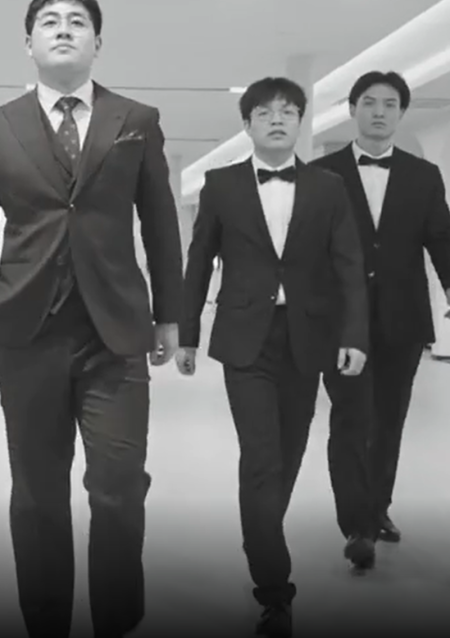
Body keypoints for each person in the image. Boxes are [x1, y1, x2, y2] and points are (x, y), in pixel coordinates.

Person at [0, 0, 184, 638]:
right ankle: (46, 620)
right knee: (37, 491)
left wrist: (169, 314)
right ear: (28, 43)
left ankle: (117, 619)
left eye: (77, 21)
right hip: (26, 333)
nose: (63, 29)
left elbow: (160, 222)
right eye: (49, 21)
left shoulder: (136, 119)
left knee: (119, 486)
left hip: (115, 333)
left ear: (97, 42)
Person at [177, 77, 368, 638]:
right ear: (247, 125)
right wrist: (187, 334)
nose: (278, 120)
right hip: (245, 339)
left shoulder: (328, 187)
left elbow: (349, 265)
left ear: (301, 122)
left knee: (288, 453)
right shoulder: (221, 185)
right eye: (265, 113)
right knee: (261, 457)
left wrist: (354, 335)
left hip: (307, 338)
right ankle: (274, 588)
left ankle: (260, 530)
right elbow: (199, 260)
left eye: (288, 112)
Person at [311, 70, 450, 566]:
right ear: (352, 109)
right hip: (341, 319)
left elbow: (441, 234)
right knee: (351, 417)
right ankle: (356, 524)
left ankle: (377, 509)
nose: (379, 112)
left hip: (404, 314)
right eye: (369, 102)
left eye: (390, 104)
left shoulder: (424, 175)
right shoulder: (321, 173)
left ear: (401, 113)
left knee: (389, 420)